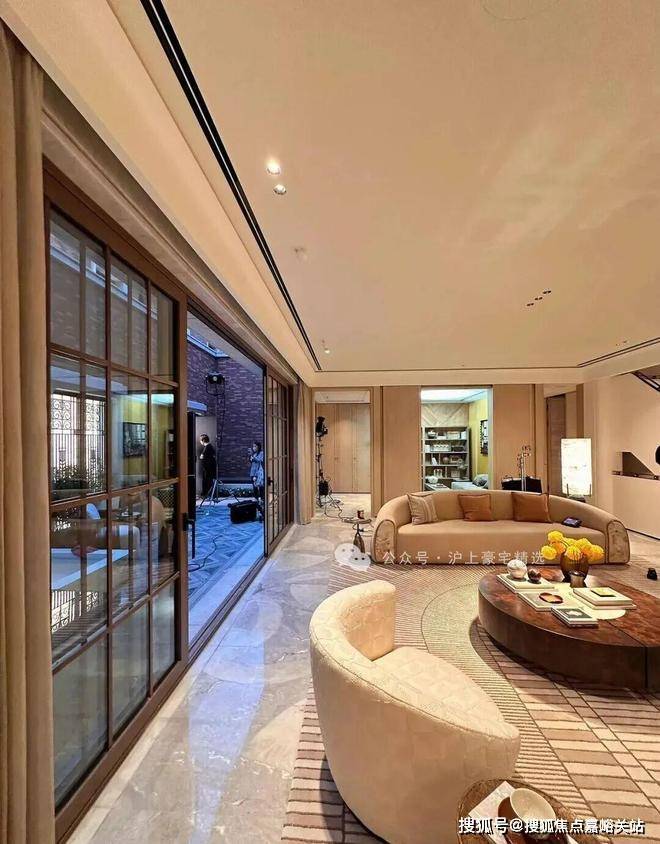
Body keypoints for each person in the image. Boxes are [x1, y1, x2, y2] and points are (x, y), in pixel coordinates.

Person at [249, 440, 265, 520]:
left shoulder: (261, 453)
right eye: (253, 446)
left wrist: (253, 457)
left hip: (258, 474)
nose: (254, 448)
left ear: (258, 447)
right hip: (253, 473)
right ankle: (257, 509)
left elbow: (260, 461)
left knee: (261, 492)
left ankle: (262, 511)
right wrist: (251, 458)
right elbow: (252, 463)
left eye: (255, 446)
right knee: (255, 491)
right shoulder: (254, 454)